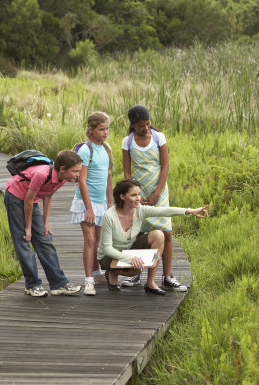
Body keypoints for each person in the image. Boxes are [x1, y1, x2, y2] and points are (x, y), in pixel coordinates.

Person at [98, 179, 208, 295]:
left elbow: (165, 211)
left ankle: (150, 282)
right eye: (133, 195)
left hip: (127, 250)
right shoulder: (110, 216)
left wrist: (190, 211)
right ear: (122, 196)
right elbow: (107, 249)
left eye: (139, 194)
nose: (138, 198)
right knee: (135, 268)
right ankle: (112, 272)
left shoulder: (140, 210)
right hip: (108, 257)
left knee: (158, 235)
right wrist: (130, 259)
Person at [121, 105, 185, 291]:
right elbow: (127, 171)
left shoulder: (158, 137)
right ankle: (137, 274)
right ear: (132, 125)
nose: (146, 128)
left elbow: (165, 166)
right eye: (142, 126)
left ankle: (166, 276)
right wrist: (134, 195)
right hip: (138, 193)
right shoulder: (128, 141)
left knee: (165, 232)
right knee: (140, 232)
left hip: (159, 191)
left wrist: (157, 193)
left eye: (148, 124)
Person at [4, 150, 83, 297]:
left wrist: (46, 222)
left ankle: (58, 283)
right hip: (15, 197)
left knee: (45, 239)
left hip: (30, 200)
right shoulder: (41, 174)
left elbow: (47, 196)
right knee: (24, 240)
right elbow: (27, 201)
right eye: (75, 171)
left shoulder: (63, 179)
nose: (77, 175)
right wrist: (28, 228)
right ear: (62, 169)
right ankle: (32, 285)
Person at [70, 112, 114, 296]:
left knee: (97, 242)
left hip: (101, 203)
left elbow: (108, 176)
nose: (105, 133)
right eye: (101, 129)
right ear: (91, 129)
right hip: (85, 202)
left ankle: (97, 274)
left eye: (107, 129)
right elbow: (82, 180)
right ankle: (89, 281)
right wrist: (88, 208)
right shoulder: (86, 150)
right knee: (89, 241)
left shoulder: (106, 148)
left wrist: (110, 203)